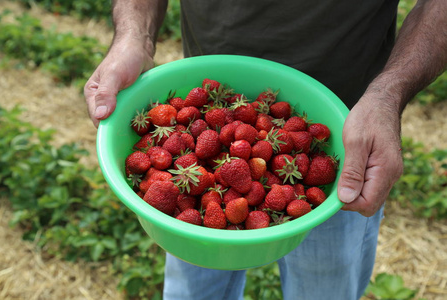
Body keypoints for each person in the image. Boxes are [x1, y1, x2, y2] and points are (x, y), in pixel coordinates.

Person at [84, 1, 447, 299]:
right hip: (213, 95)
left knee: (325, 290)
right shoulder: (195, 168)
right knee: (195, 286)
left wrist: (389, 93)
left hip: (351, 131)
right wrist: (134, 37)